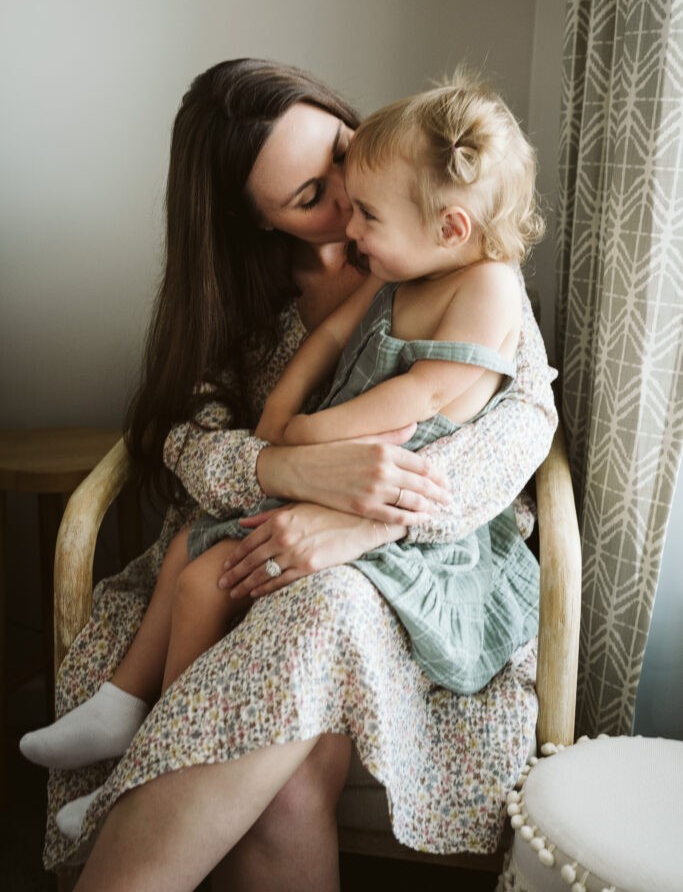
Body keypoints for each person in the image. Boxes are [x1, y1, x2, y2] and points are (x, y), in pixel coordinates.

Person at [37, 59, 556, 892]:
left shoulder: (451, 248)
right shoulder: (248, 298)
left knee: (322, 599)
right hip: (253, 543)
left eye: (344, 155)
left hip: (407, 569)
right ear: (259, 225)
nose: (350, 199)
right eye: (312, 197)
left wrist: (374, 515)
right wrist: (289, 467)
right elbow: (184, 437)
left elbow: (525, 419)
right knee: (279, 786)